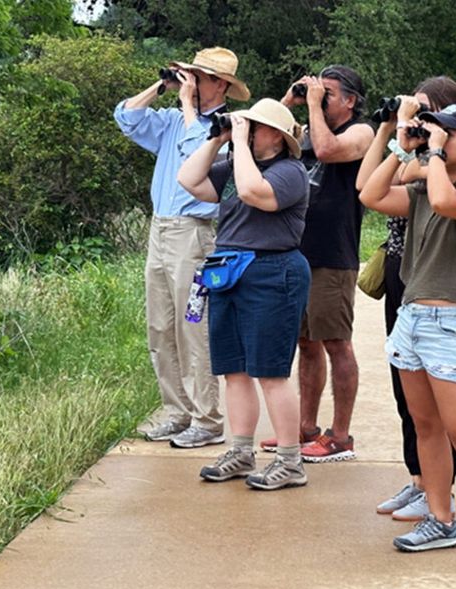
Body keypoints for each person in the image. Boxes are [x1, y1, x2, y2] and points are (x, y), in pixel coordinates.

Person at [359, 103, 456, 580]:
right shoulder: (426, 184)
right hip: (413, 321)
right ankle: (441, 519)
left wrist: (434, 157)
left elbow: (448, 203)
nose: (438, 138)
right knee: (425, 427)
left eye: (449, 133)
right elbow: (371, 194)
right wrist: (399, 146)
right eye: (436, 130)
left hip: (455, 323)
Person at [114, 48, 250, 449]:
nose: (191, 83)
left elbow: (198, 152)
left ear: (221, 85)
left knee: (194, 328)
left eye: (200, 78)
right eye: (188, 75)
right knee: (160, 326)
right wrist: (162, 86)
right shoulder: (173, 119)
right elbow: (126, 117)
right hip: (160, 230)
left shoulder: (230, 129)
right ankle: (177, 411)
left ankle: (207, 419)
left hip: (194, 233)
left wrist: (189, 106)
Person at [177, 98, 313, 490]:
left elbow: (256, 193)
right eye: (246, 125)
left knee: (270, 371)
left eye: (255, 126)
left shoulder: (291, 171)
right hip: (228, 271)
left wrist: (237, 137)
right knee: (233, 370)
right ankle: (241, 450)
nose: (248, 131)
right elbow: (189, 180)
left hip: (273, 271)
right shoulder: (237, 168)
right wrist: (218, 139)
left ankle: (290, 460)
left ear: (276, 135)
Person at [355, 76, 456, 521]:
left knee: (438, 399)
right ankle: (419, 479)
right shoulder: (414, 149)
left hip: (435, 285)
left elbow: (405, 176)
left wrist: (415, 140)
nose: (416, 118)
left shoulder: (445, 163)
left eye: (425, 110)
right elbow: (367, 187)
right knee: (408, 395)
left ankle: (440, 491)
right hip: (401, 274)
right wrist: (388, 128)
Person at [258, 65, 374, 463]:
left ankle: (340, 436)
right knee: (305, 344)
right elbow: (266, 141)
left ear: (350, 100)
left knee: (336, 343)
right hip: (296, 252)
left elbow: (325, 151)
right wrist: (288, 103)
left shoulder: (361, 132)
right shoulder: (305, 126)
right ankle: (304, 428)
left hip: (333, 255)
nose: (320, 99)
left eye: (328, 94)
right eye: (317, 93)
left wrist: (312, 107)